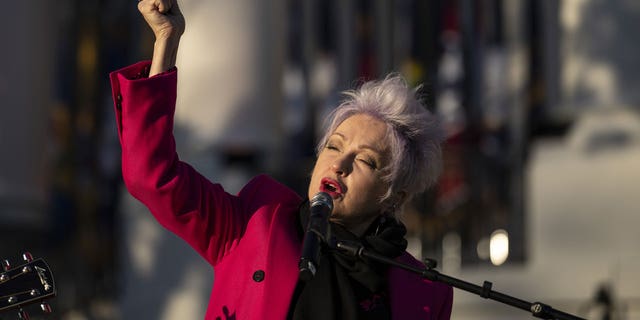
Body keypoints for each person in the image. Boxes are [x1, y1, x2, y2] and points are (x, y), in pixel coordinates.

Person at [110, 0, 453, 319]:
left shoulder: (423, 291)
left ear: (393, 195)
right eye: (334, 146)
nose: (339, 164)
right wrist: (166, 41)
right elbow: (152, 177)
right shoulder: (255, 223)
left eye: (365, 160)